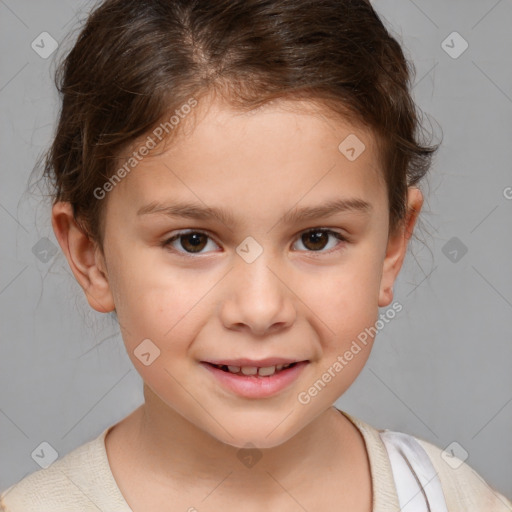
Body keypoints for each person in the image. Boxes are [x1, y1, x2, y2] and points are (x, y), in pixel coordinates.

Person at [1, 0, 511, 510]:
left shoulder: (454, 499)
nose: (262, 309)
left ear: (392, 245)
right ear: (91, 257)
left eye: (317, 238)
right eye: (192, 241)